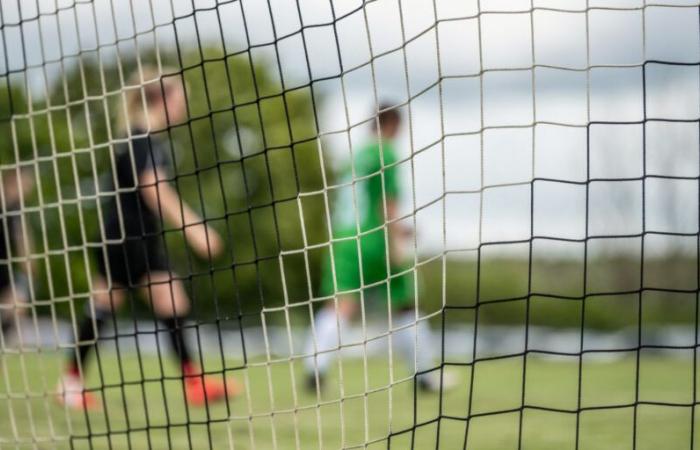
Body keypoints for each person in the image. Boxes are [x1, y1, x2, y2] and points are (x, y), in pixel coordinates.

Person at [58, 67, 240, 410]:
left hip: (137, 236)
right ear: (163, 100)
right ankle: (70, 383)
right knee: (108, 303)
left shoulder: (144, 139)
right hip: (126, 237)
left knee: (170, 300)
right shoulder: (140, 138)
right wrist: (195, 229)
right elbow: (155, 190)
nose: (183, 108)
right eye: (180, 100)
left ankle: (193, 383)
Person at [304, 104, 448, 392]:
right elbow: (387, 203)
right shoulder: (386, 153)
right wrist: (398, 238)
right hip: (374, 241)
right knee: (406, 305)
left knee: (340, 305)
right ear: (393, 124)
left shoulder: (354, 156)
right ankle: (425, 375)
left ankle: (314, 370)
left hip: (343, 239)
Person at [0, 168, 35, 343]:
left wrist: (29, 263)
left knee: (17, 305)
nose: (28, 189)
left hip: (4, 268)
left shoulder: (16, 210)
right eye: (25, 183)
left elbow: (22, 239)